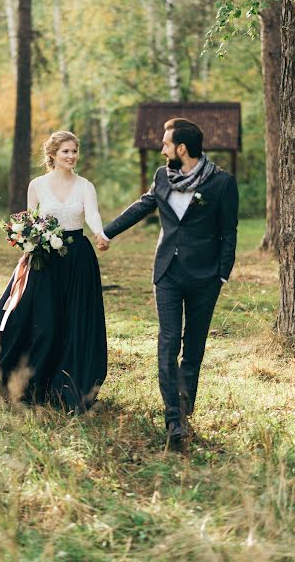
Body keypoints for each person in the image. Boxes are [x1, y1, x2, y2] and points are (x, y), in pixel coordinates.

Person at [96, 118, 238, 444]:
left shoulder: (221, 183)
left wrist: (221, 274)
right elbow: (142, 206)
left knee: (194, 347)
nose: (162, 148)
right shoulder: (163, 176)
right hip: (168, 274)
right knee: (168, 342)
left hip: (205, 277)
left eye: (166, 143)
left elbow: (229, 232)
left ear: (182, 149)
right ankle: (173, 418)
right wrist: (107, 233)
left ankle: (185, 412)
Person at [0, 131, 107, 412]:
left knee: (74, 323)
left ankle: (70, 389)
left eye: (75, 151)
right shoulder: (37, 185)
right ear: (52, 154)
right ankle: (29, 385)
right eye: (66, 151)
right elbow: (31, 219)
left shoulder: (85, 186)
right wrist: (28, 240)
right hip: (44, 260)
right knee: (43, 322)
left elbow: (92, 215)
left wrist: (99, 233)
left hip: (77, 259)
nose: (72, 156)